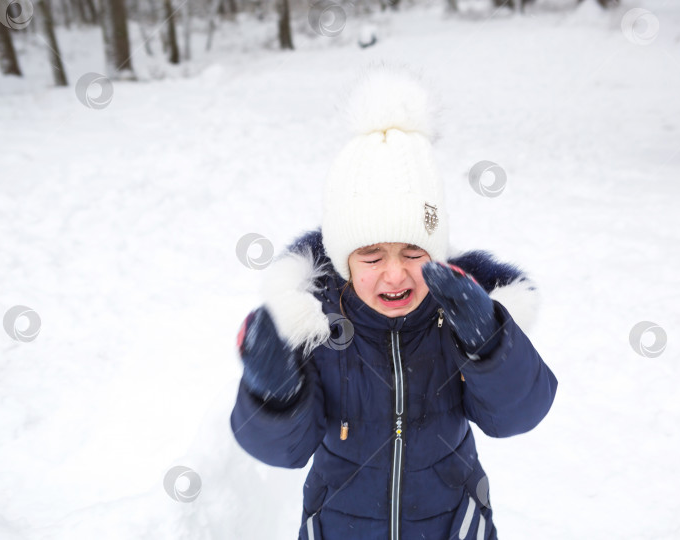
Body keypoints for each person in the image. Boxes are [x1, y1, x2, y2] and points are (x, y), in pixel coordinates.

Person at [230, 63, 558, 540]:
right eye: (370, 255)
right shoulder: (319, 325)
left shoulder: (457, 318)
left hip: (451, 527)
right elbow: (286, 451)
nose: (394, 273)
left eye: (413, 252)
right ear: (343, 260)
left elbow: (516, 415)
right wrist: (273, 394)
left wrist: (489, 344)